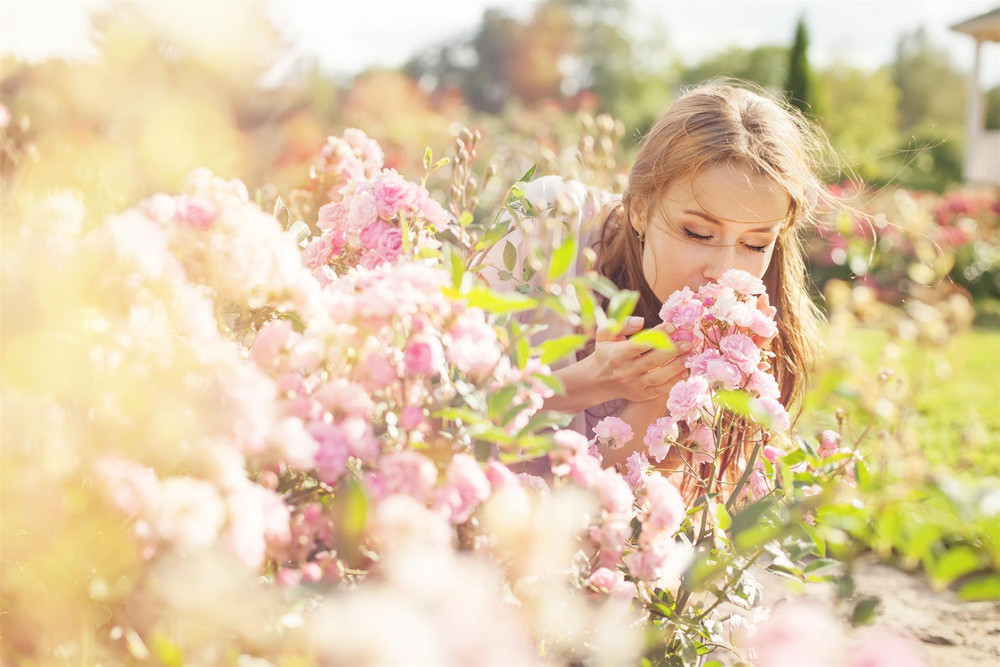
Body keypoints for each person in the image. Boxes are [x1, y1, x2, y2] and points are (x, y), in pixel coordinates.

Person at [482, 82, 828, 503]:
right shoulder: (549, 218)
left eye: (755, 244)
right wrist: (585, 383)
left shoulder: (747, 335)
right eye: (697, 233)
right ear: (641, 208)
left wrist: (672, 389)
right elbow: (441, 407)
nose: (724, 270)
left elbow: (606, 505)